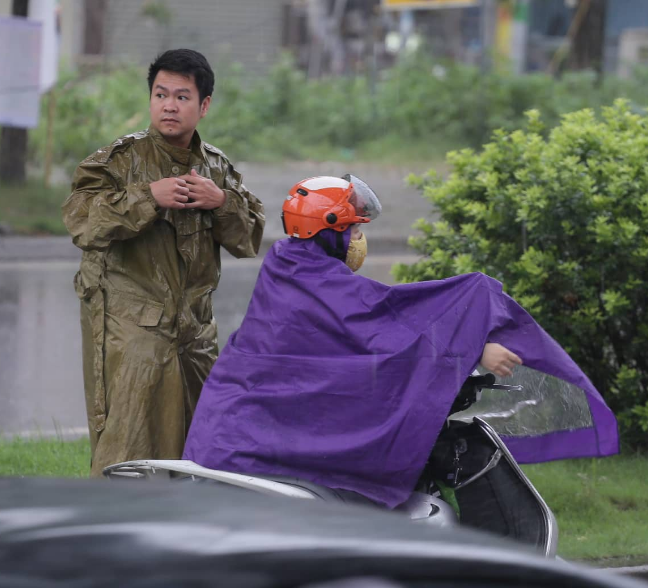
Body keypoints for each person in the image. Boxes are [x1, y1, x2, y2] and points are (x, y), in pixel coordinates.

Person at [183, 175, 618, 508]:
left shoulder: (287, 269)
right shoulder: (322, 284)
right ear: (330, 229)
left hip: (231, 435)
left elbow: (367, 337)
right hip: (252, 451)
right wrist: (475, 342)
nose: (359, 239)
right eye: (354, 229)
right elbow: (394, 326)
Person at [62, 48, 265, 473]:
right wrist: (147, 197)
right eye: (161, 94)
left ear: (204, 105)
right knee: (129, 446)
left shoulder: (217, 169)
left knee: (203, 445)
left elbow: (249, 240)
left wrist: (221, 201)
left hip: (195, 331)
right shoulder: (119, 161)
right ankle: (118, 530)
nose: (169, 105)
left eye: (182, 96)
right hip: (130, 326)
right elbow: (81, 222)